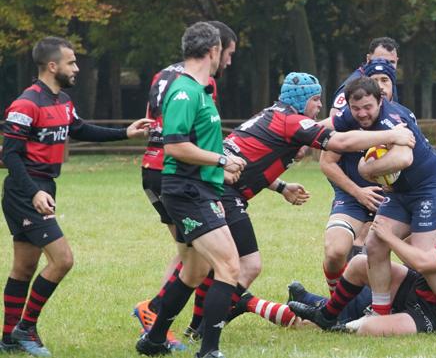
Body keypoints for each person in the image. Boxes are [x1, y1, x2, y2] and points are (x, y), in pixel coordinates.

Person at [135, 70, 417, 347]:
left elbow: (248, 159)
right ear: (303, 100)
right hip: (223, 193)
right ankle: (192, 327)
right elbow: (340, 140)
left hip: (215, 188)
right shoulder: (290, 121)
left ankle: (186, 324)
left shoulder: (274, 115)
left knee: (204, 264)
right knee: (244, 266)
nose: (319, 105)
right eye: (316, 99)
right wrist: (390, 136)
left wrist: (281, 187)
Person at [1, 36, 151, 356]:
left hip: (42, 188)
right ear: (52, 66)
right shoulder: (25, 104)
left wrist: (125, 132)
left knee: (24, 268)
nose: (77, 68)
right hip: (24, 191)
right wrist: (35, 193)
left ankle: (7, 338)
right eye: (71, 62)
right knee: (63, 260)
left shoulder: (62, 101)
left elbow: (80, 129)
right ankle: (25, 327)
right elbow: (10, 157)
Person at [134, 21, 247, 358]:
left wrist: (218, 166)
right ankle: (208, 351)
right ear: (213, 50)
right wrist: (220, 160)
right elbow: (175, 146)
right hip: (187, 190)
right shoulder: (184, 92)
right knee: (229, 266)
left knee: (196, 271)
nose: (227, 61)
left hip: (200, 188)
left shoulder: (200, 90)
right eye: (226, 54)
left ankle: (153, 340)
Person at [329, 76, 436, 335]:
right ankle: (380, 312)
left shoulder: (393, 120)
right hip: (401, 191)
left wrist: (365, 169)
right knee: (374, 243)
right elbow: (326, 131)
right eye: (356, 109)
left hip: (431, 188)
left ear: (381, 100)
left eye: (368, 107)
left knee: (423, 256)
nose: (362, 114)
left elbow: (403, 157)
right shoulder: (352, 115)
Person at [289, 184, 436, 336]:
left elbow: (423, 263)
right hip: (417, 288)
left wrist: (388, 237)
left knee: (367, 329)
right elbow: (413, 248)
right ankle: (327, 314)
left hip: (434, 312)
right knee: (359, 263)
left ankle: (334, 322)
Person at [319, 58, 408, 294]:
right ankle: (337, 300)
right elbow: (327, 163)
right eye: (375, 80)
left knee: (415, 251)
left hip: (394, 198)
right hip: (352, 196)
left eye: (384, 80)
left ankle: (409, 302)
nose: (380, 85)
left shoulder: (403, 119)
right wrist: (358, 192)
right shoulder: (347, 120)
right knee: (335, 251)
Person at [329, 37, 399, 116]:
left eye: (391, 62)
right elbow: (334, 115)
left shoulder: (389, 80)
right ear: (368, 59)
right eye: (380, 60)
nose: (386, 65)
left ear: (397, 61)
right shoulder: (353, 84)